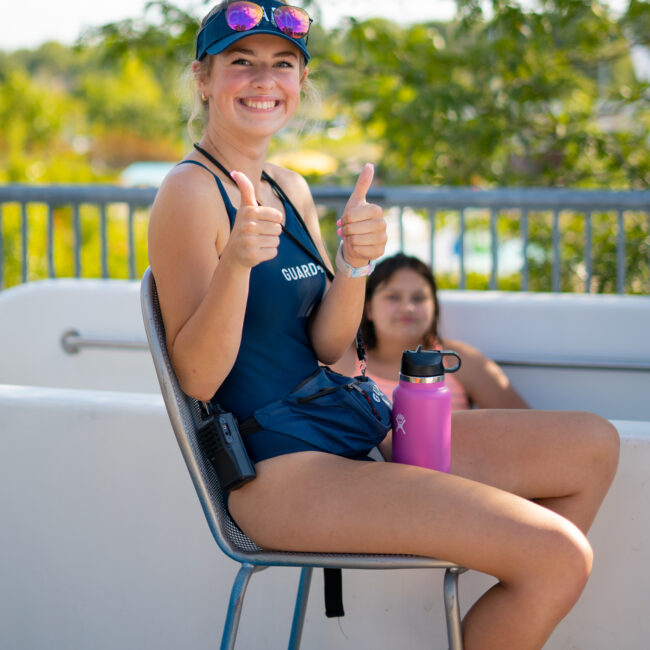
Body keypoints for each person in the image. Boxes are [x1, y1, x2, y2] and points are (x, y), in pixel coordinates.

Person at [147, 2, 619, 647]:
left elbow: (328, 343)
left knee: (591, 445)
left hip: (352, 423)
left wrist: (354, 262)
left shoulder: (288, 187)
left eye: (283, 64)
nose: (264, 81)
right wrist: (234, 267)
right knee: (557, 554)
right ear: (204, 79)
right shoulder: (189, 193)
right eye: (241, 64)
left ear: (301, 82)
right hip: (281, 472)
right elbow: (198, 379)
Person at [333, 252, 530, 410]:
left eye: (418, 298)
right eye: (393, 297)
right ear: (368, 309)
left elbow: (524, 424)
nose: (407, 307)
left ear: (434, 307)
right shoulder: (345, 363)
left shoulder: (457, 361)